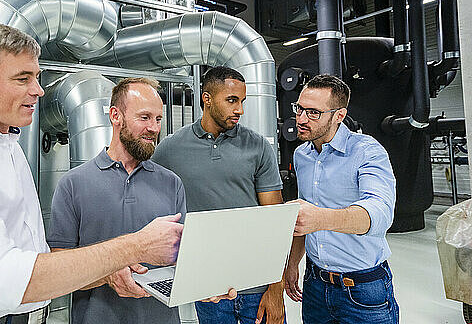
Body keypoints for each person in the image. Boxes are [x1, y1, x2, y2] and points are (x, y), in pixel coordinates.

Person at [0, 23, 183, 324]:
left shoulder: (7, 147)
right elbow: (2, 280)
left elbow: (42, 264)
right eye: (22, 78)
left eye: (37, 78)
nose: (38, 90)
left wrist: (111, 272)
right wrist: (136, 246)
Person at [152, 66, 285, 324]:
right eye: (232, 100)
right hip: (209, 291)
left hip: (257, 287)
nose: (240, 110)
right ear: (207, 98)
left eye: (242, 102)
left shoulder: (257, 146)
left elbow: (275, 223)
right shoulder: (171, 148)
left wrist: (275, 290)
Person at [47, 77, 187, 324]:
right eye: (144, 118)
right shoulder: (72, 184)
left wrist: (207, 285)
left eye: (158, 119)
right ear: (115, 116)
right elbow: (57, 272)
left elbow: (183, 258)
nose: (154, 128)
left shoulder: (172, 183)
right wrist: (108, 274)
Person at [284, 74, 399, 323]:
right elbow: (304, 217)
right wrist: (293, 262)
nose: (301, 119)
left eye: (314, 113)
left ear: (339, 115)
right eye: (299, 109)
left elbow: (379, 214)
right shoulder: (301, 155)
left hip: (362, 289)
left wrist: (321, 218)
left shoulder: (367, 151)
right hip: (315, 284)